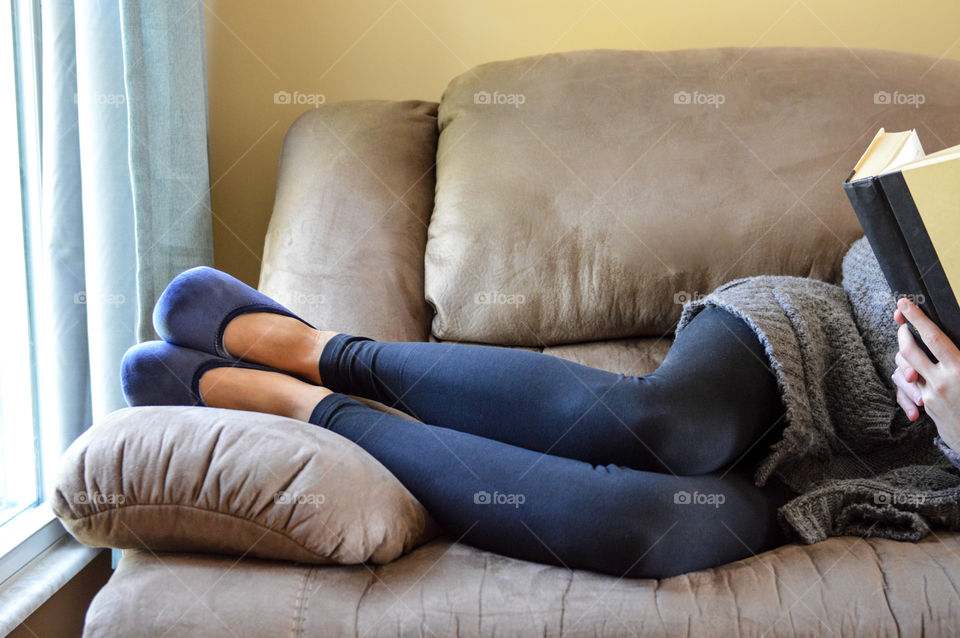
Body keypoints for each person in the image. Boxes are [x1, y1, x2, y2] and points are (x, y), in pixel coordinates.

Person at [120, 237, 960, 579]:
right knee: (670, 427)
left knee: (656, 528)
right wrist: (919, 339)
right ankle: (323, 352)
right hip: (807, 354)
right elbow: (870, 255)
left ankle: (309, 409)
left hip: (869, 487)